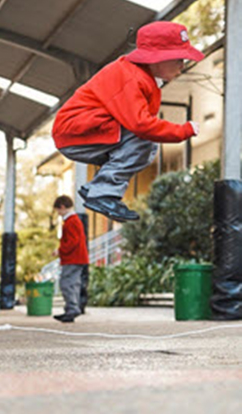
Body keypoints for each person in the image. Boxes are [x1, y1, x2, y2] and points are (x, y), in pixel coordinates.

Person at [52, 21, 202, 222]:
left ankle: (98, 190)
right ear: (157, 58)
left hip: (84, 131)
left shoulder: (141, 77)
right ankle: (101, 192)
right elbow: (142, 125)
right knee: (145, 140)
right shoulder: (130, 77)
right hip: (77, 132)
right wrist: (183, 130)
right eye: (178, 60)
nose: (182, 67)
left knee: (146, 147)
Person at [52, 195, 89, 323]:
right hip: (79, 258)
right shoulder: (74, 220)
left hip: (73, 258)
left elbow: (73, 241)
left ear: (62, 207)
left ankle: (72, 308)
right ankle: (70, 309)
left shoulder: (71, 221)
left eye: (58, 211)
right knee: (73, 283)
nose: (58, 214)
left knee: (66, 283)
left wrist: (60, 250)